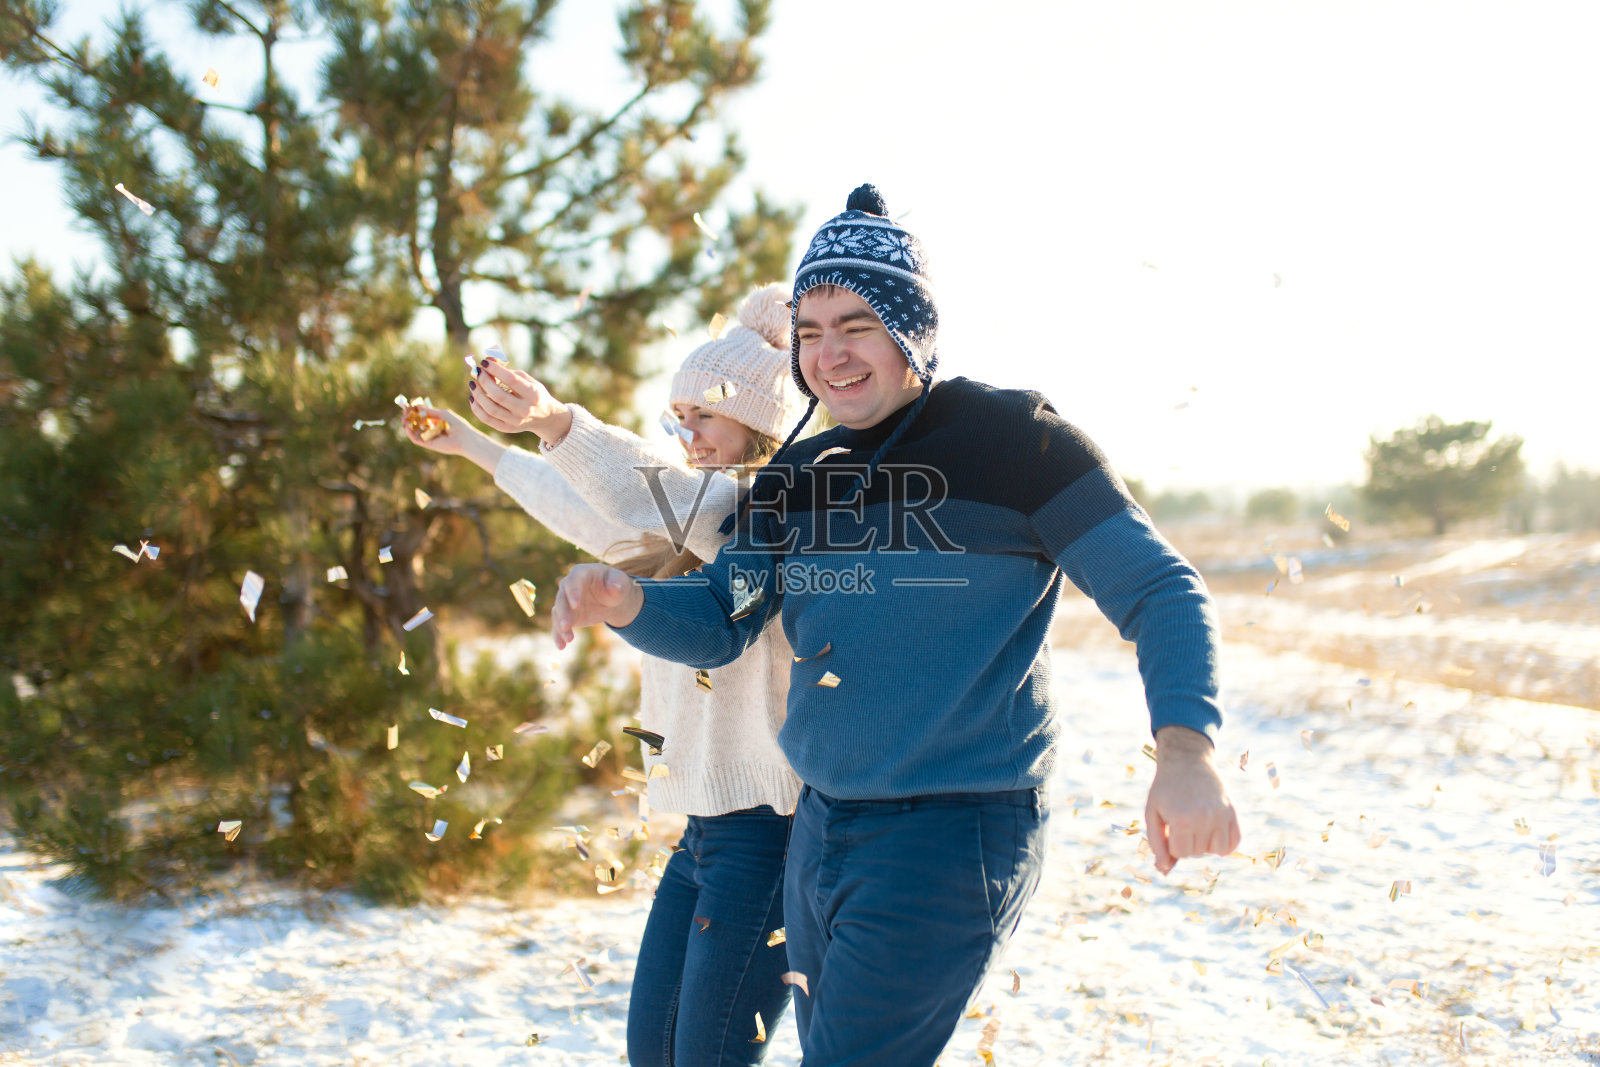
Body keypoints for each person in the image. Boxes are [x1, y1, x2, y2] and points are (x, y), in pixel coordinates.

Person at [548, 185, 1244, 1065]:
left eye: (856, 325)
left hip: (951, 831)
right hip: (819, 830)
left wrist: (1186, 750)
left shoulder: (1015, 441)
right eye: (808, 331)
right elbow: (722, 615)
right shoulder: (798, 475)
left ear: (911, 329)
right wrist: (629, 601)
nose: (828, 355)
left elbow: (1161, 590)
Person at [405, 283, 806, 1066]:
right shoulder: (681, 525)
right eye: (678, 418)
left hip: (767, 838)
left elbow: (642, 484)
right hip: (700, 835)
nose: (687, 434)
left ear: (757, 421)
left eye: (705, 416)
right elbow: (584, 505)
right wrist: (476, 446)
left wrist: (553, 419)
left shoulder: (762, 509)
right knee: (651, 1052)